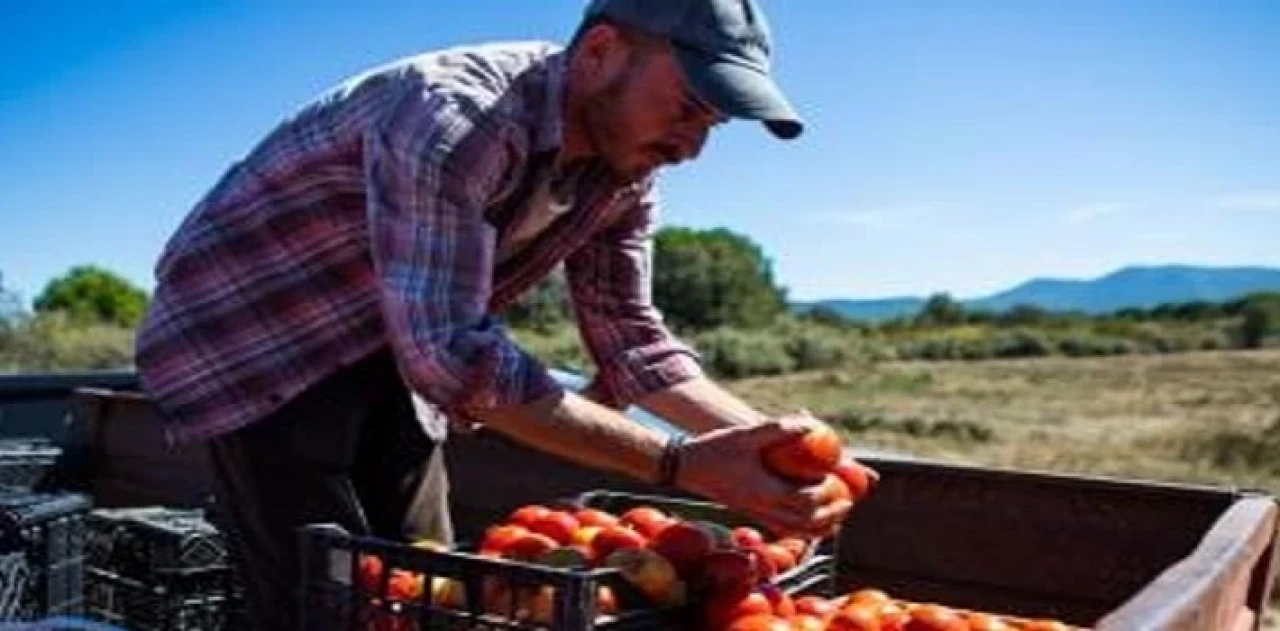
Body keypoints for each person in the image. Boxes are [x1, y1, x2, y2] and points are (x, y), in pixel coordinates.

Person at [133, 0, 870, 628]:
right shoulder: (455, 113)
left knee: (430, 592)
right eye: (687, 108)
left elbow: (629, 337)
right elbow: (451, 354)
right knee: (323, 596)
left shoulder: (623, 173)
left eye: (714, 124)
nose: (693, 146)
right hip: (249, 339)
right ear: (602, 52)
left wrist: (773, 445)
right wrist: (680, 462)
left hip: (390, 343)